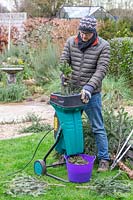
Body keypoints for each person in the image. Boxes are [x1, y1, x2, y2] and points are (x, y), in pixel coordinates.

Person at [59, 16, 110, 172]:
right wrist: (64, 75)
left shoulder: (103, 46)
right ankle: (64, 153)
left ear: (94, 32)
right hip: (72, 92)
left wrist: (88, 87)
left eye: (87, 33)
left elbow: (101, 70)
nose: (83, 36)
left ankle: (104, 159)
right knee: (67, 125)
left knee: (97, 127)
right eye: (81, 32)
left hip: (91, 94)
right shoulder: (70, 42)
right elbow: (63, 62)